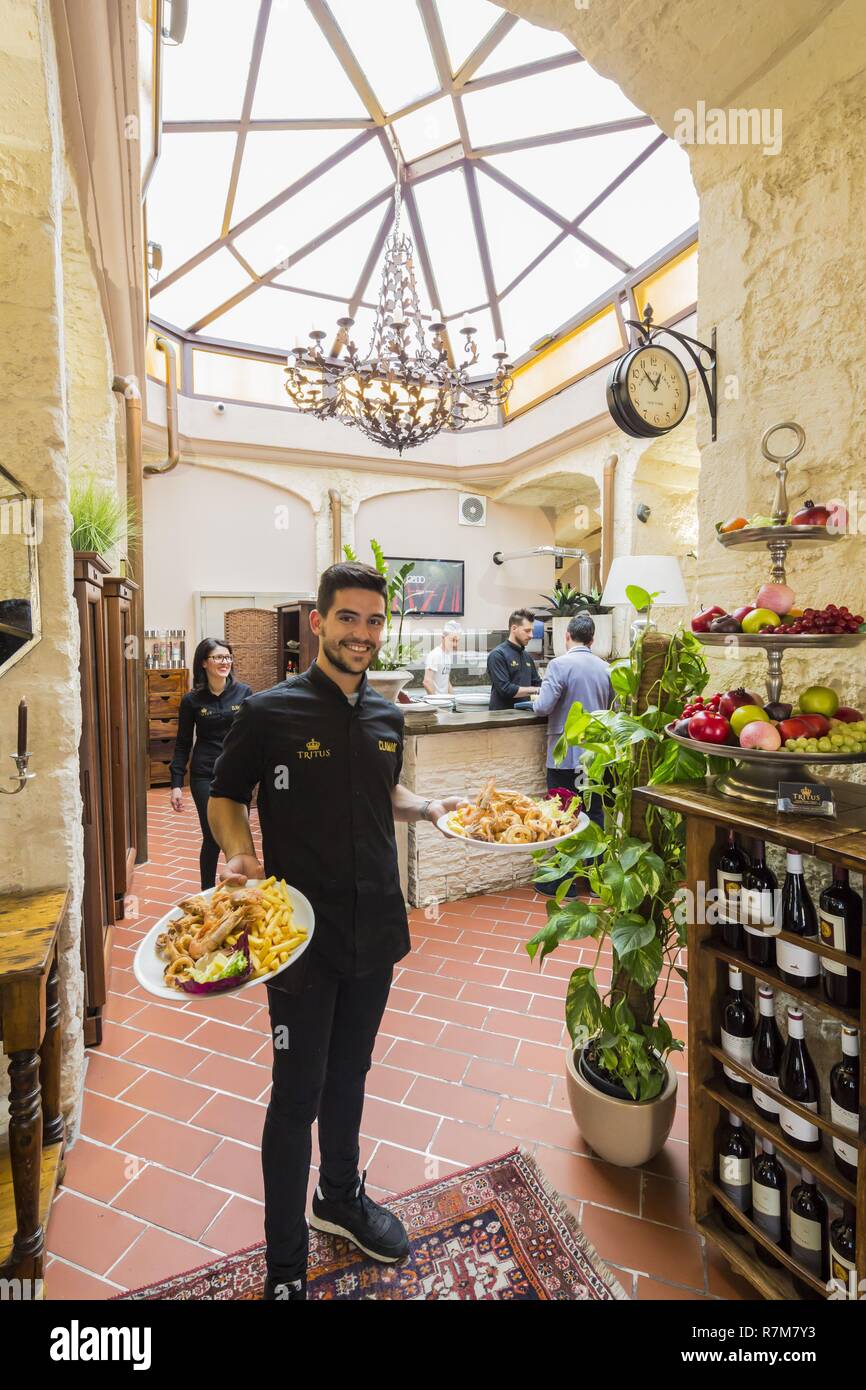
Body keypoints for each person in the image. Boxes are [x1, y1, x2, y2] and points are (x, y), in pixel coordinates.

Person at [207, 561, 464, 1302]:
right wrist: (238, 852)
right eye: (348, 618)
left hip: (376, 923)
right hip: (298, 934)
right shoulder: (269, 713)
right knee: (297, 1092)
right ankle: (285, 1263)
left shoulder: (387, 714)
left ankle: (341, 1198)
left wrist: (430, 808)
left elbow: (385, 792)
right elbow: (226, 795)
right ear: (319, 623)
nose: (362, 633)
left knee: (351, 1073)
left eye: (374, 620)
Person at [169, 639, 252, 890]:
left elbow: (252, 737)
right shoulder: (192, 700)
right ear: (204, 663)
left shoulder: (245, 693)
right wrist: (175, 784)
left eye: (228, 657)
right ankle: (205, 893)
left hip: (237, 773)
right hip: (204, 774)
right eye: (218, 657)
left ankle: (240, 891)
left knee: (238, 837)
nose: (225, 662)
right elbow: (183, 743)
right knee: (213, 836)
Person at [532, 612, 614, 828]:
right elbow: (613, 709)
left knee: (562, 812)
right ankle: (594, 862)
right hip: (596, 755)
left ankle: (568, 861)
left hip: (566, 755)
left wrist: (534, 700)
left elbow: (542, 707)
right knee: (594, 812)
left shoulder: (559, 665)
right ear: (592, 640)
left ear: (567, 636)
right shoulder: (606, 668)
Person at [486, 608, 541, 710]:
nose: (531, 635)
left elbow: (537, 682)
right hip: (501, 718)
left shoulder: (527, 656)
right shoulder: (497, 655)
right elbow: (505, 689)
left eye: (532, 631)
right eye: (527, 631)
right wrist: (536, 690)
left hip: (524, 714)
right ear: (514, 628)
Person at [423, 619, 462, 696]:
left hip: (445, 702)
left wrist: (453, 700)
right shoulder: (435, 655)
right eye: (452, 640)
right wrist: (437, 701)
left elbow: (446, 681)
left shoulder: (447, 655)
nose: (455, 644)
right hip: (438, 703)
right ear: (443, 638)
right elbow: (427, 681)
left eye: (457, 641)